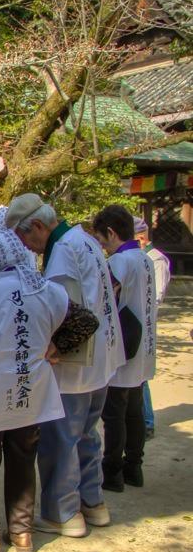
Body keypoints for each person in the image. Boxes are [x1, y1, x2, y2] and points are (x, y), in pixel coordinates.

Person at [0, 220, 98, 552]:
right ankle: (21, 533)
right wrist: (57, 346)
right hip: (30, 392)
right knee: (23, 459)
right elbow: (87, 321)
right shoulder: (48, 291)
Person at [6, 193, 125, 536]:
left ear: (39, 226)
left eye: (25, 238)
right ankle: (93, 502)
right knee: (88, 433)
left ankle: (63, 511)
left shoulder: (61, 254)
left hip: (76, 364)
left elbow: (65, 313)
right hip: (101, 359)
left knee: (62, 439)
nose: (28, 247)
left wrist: (50, 346)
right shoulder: (84, 239)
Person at [92, 206, 158, 491]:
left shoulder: (119, 262)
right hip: (142, 343)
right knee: (133, 410)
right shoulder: (144, 259)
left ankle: (113, 471)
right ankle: (134, 467)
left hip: (123, 344)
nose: (102, 246)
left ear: (111, 232)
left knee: (114, 414)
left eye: (102, 239)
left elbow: (104, 298)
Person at [134, 216, 170, 438]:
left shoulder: (157, 260)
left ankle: (147, 421)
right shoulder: (135, 259)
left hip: (144, 324)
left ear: (140, 238)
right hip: (132, 323)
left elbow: (155, 296)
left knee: (141, 375)